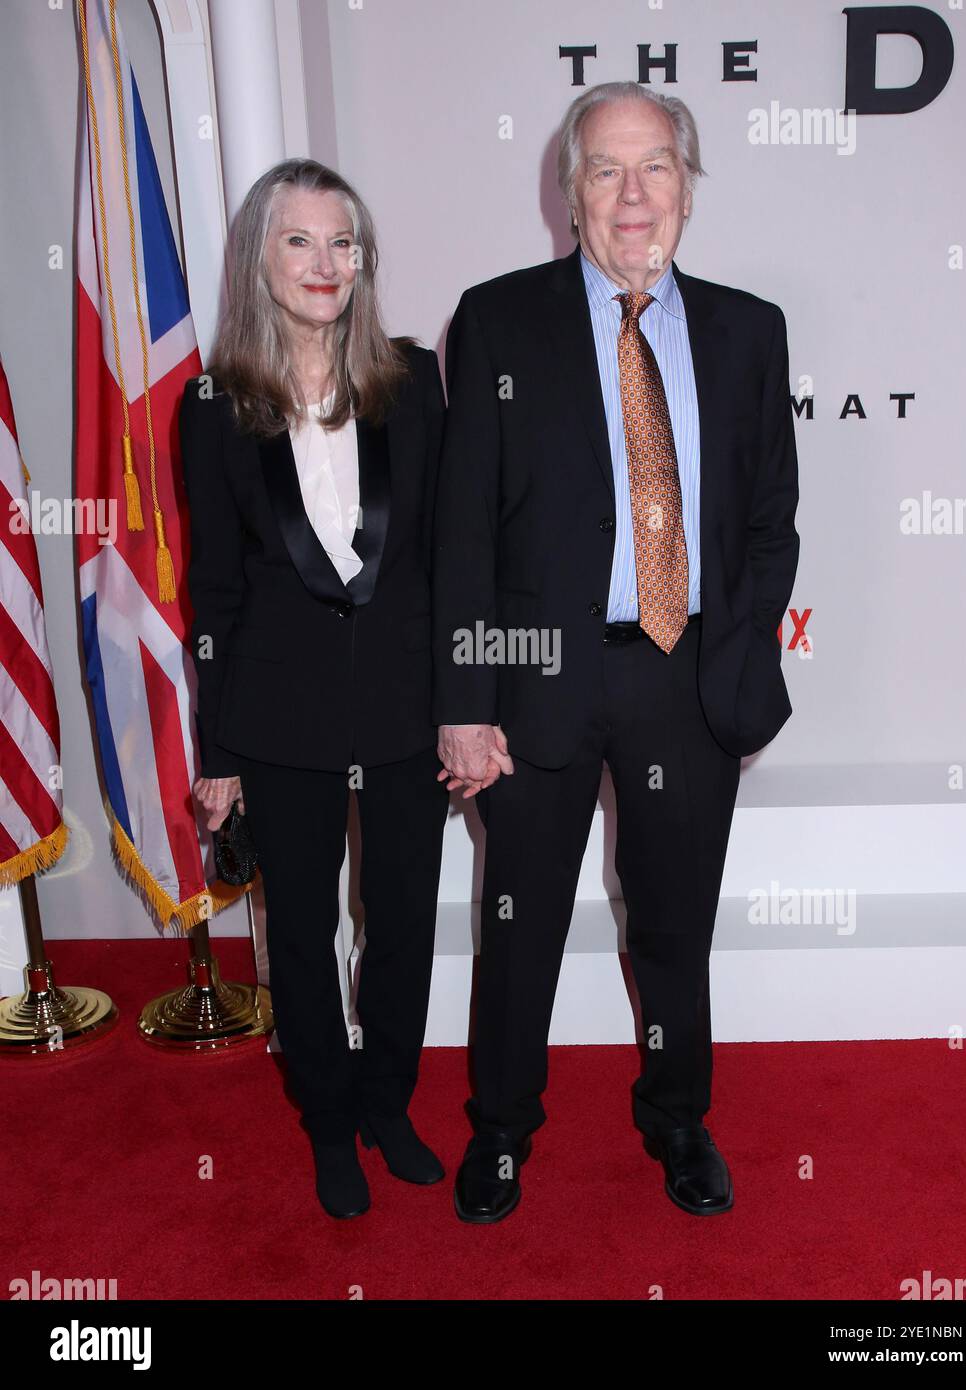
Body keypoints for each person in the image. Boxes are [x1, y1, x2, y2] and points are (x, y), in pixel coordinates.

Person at [433, 83, 800, 1222]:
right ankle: (499, 1130)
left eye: (655, 168)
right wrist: (463, 700)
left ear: (686, 186)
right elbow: (461, 534)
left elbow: (766, 520)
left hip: (684, 675)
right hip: (538, 670)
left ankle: (677, 1117)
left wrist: (733, 661)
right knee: (519, 917)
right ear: (569, 192)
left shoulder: (749, 330)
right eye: (605, 170)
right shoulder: (496, 321)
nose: (632, 197)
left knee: (674, 922)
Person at [180, 159, 448, 1219]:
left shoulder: (414, 380)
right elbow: (214, 585)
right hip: (277, 715)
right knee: (298, 929)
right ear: (261, 258)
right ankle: (327, 1117)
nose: (325, 263)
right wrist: (216, 753)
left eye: (343, 242)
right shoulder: (212, 405)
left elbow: (440, 557)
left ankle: (388, 1101)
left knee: (402, 920)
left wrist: (465, 696)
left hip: (401, 705)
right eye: (299, 240)